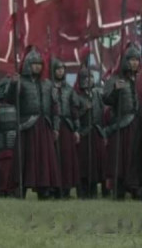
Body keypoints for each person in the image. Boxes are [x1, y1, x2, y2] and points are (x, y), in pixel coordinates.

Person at [5, 48, 60, 199]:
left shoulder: (48, 84)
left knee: (44, 159)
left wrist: (55, 127)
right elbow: (10, 100)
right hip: (26, 125)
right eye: (34, 64)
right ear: (28, 65)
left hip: (44, 125)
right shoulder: (20, 82)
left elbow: (55, 108)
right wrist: (13, 85)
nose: (37, 67)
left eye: (39, 64)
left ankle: (44, 188)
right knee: (25, 158)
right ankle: (19, 188)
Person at [103, 44, 140, 199]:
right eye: (132, 60)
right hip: (121, 124)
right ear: (126, 61)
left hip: (137, 124)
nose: (135, 63)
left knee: (135, 157)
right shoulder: (115, 79)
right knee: (120, 158)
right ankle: (119, 189)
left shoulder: (140, 80)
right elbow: (106, 99)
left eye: (137, 60)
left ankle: (136, 187)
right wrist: (115, 89)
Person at [74, 68, 107, 199]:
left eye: (91, 77)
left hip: (96, 131)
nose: (90, 80)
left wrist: (103, 132)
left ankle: (93, 191)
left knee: (96, 163)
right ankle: (83, 191)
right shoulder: (77, 96)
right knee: (84, 164)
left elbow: (102, 113)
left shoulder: (97, 94)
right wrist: (84, 109)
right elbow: (74, 115)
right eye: (87, 78)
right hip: (84, 133)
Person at [51, 58, 80, 199]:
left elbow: (74, 110)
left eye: (62, 69)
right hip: (53, 126)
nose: (60, 71)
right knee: (54, 158)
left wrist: (76, 129)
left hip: (67, 126)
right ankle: (54, 188)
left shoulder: (69, 89)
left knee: (67, 158)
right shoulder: (49, 87)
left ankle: (66, 188)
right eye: (58, 69)